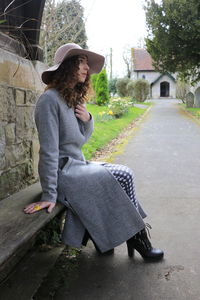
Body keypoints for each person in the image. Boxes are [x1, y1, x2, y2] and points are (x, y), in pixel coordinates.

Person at [24, 43, 164, 261]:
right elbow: (49, 151)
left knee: (124, 174)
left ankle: (133, 236)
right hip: (65, 173)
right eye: (81, 62)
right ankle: (137, 238)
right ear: (66, 66)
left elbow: (80, 140)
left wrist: (87, 120)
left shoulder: (69, 99)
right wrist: (49, 193)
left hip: (78, 166)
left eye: (87, 64)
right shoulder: (49, 100)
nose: (86, 69)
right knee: (123, 174)